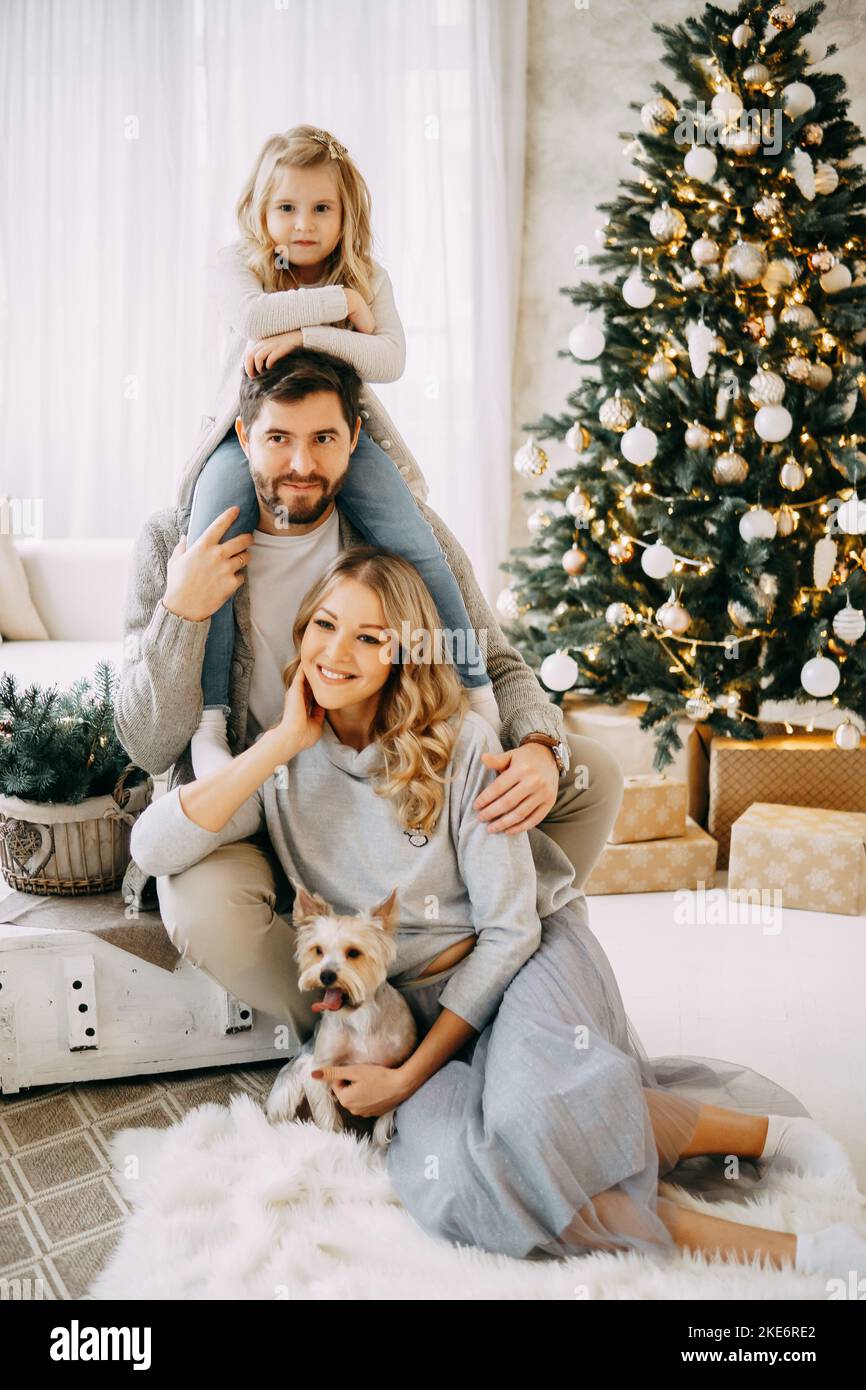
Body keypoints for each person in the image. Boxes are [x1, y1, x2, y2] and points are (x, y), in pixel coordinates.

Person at [129, 547, 864, 1274]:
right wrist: (285, 740)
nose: (337, 652)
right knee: (462, 1179)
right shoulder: (278, 761)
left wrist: (409, 1076)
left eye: (370, 636)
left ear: (405, 652)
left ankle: (784, 1187)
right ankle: (781, 1204)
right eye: (324, 625)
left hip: (519, 966)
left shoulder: (464, 743)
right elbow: (154, 845)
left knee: (535, 1121)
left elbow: (512, 928)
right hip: (402, 1008)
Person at [116, 348, 624, 1032]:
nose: (301, 464)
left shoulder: (403, 534)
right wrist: (184, 611)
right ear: (243, 438)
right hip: (253, 787)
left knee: (590, 773)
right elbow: (146, 738)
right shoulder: (170, 544)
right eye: (278, 439)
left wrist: (535, 745)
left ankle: (492, 946)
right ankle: (355, 1023)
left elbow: (494, 661)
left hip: (387, 778)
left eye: (324, 438)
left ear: (355, 436)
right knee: (206, 909)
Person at [184, 122, 498, 776]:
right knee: (212, 544)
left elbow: (388, 358)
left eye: (321, 207)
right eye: (286, 207)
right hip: (243, 438)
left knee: (415, 540)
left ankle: (475, 690)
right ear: (260, 211)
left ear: (346, 212)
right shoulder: (236, 265)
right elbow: (250, 321)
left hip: (337, 437)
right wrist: (336, 306)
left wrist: (306, 332)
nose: (303, 224)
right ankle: (210, 722)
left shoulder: (367, 275)